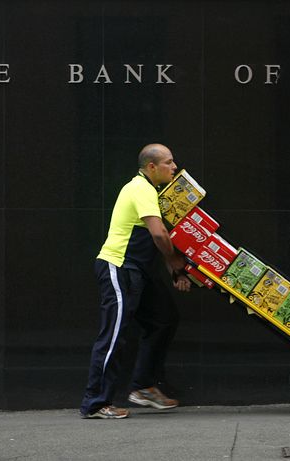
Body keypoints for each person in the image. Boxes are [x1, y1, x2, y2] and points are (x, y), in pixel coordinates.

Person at [79, 143, 192, 419]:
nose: (174, 167)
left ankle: (143, 387)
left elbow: (157, 237)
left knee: (164, 318)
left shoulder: (148, 190)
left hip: (137, 271)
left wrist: (172, 267)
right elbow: (159, 234)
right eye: (168, 162)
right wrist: (176, 263)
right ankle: (95, 403)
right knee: (114, 335)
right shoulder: (141, 189)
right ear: (151, 167)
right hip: (118, 267)